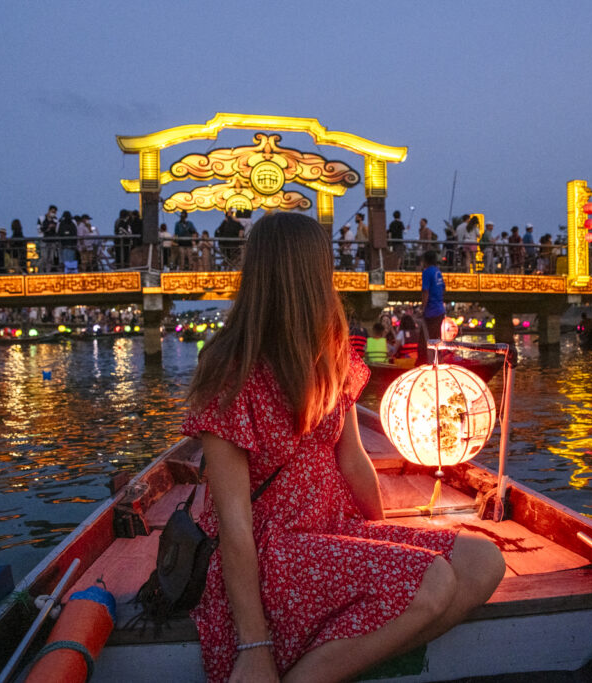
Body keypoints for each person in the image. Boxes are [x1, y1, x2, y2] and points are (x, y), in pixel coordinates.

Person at [181, 212, 504, 682]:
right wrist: (253, 645)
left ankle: (330, 662)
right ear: (313, 275)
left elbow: (353, 460)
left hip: (332, 527)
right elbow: (233, 522)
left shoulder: (331, 357)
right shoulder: (230, 374)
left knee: (482, 562)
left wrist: (382, 543)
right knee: (430, 581)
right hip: (271, 551)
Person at [421, 249, 446, 350]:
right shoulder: (438, 271)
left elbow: (425, 292)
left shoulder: (427, 272)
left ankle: (425, 362)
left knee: (425, 341)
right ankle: (438, 360)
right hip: (440, 310)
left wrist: (423, 308)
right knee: (436, 338)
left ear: (425, 261)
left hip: (431, 311)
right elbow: (443, 288)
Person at [38, 205, 59, 272]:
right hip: (44, 241)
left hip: (53, 241)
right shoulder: (41, 218)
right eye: (52, 211)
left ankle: (48, 271)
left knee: (51, 259)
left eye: (55, 212)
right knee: (44, 257)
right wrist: (48, 228)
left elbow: (58, 229)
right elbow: (39, 229)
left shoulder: (56, 219)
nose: (53, 213)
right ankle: (40, 270)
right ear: (49, 211)